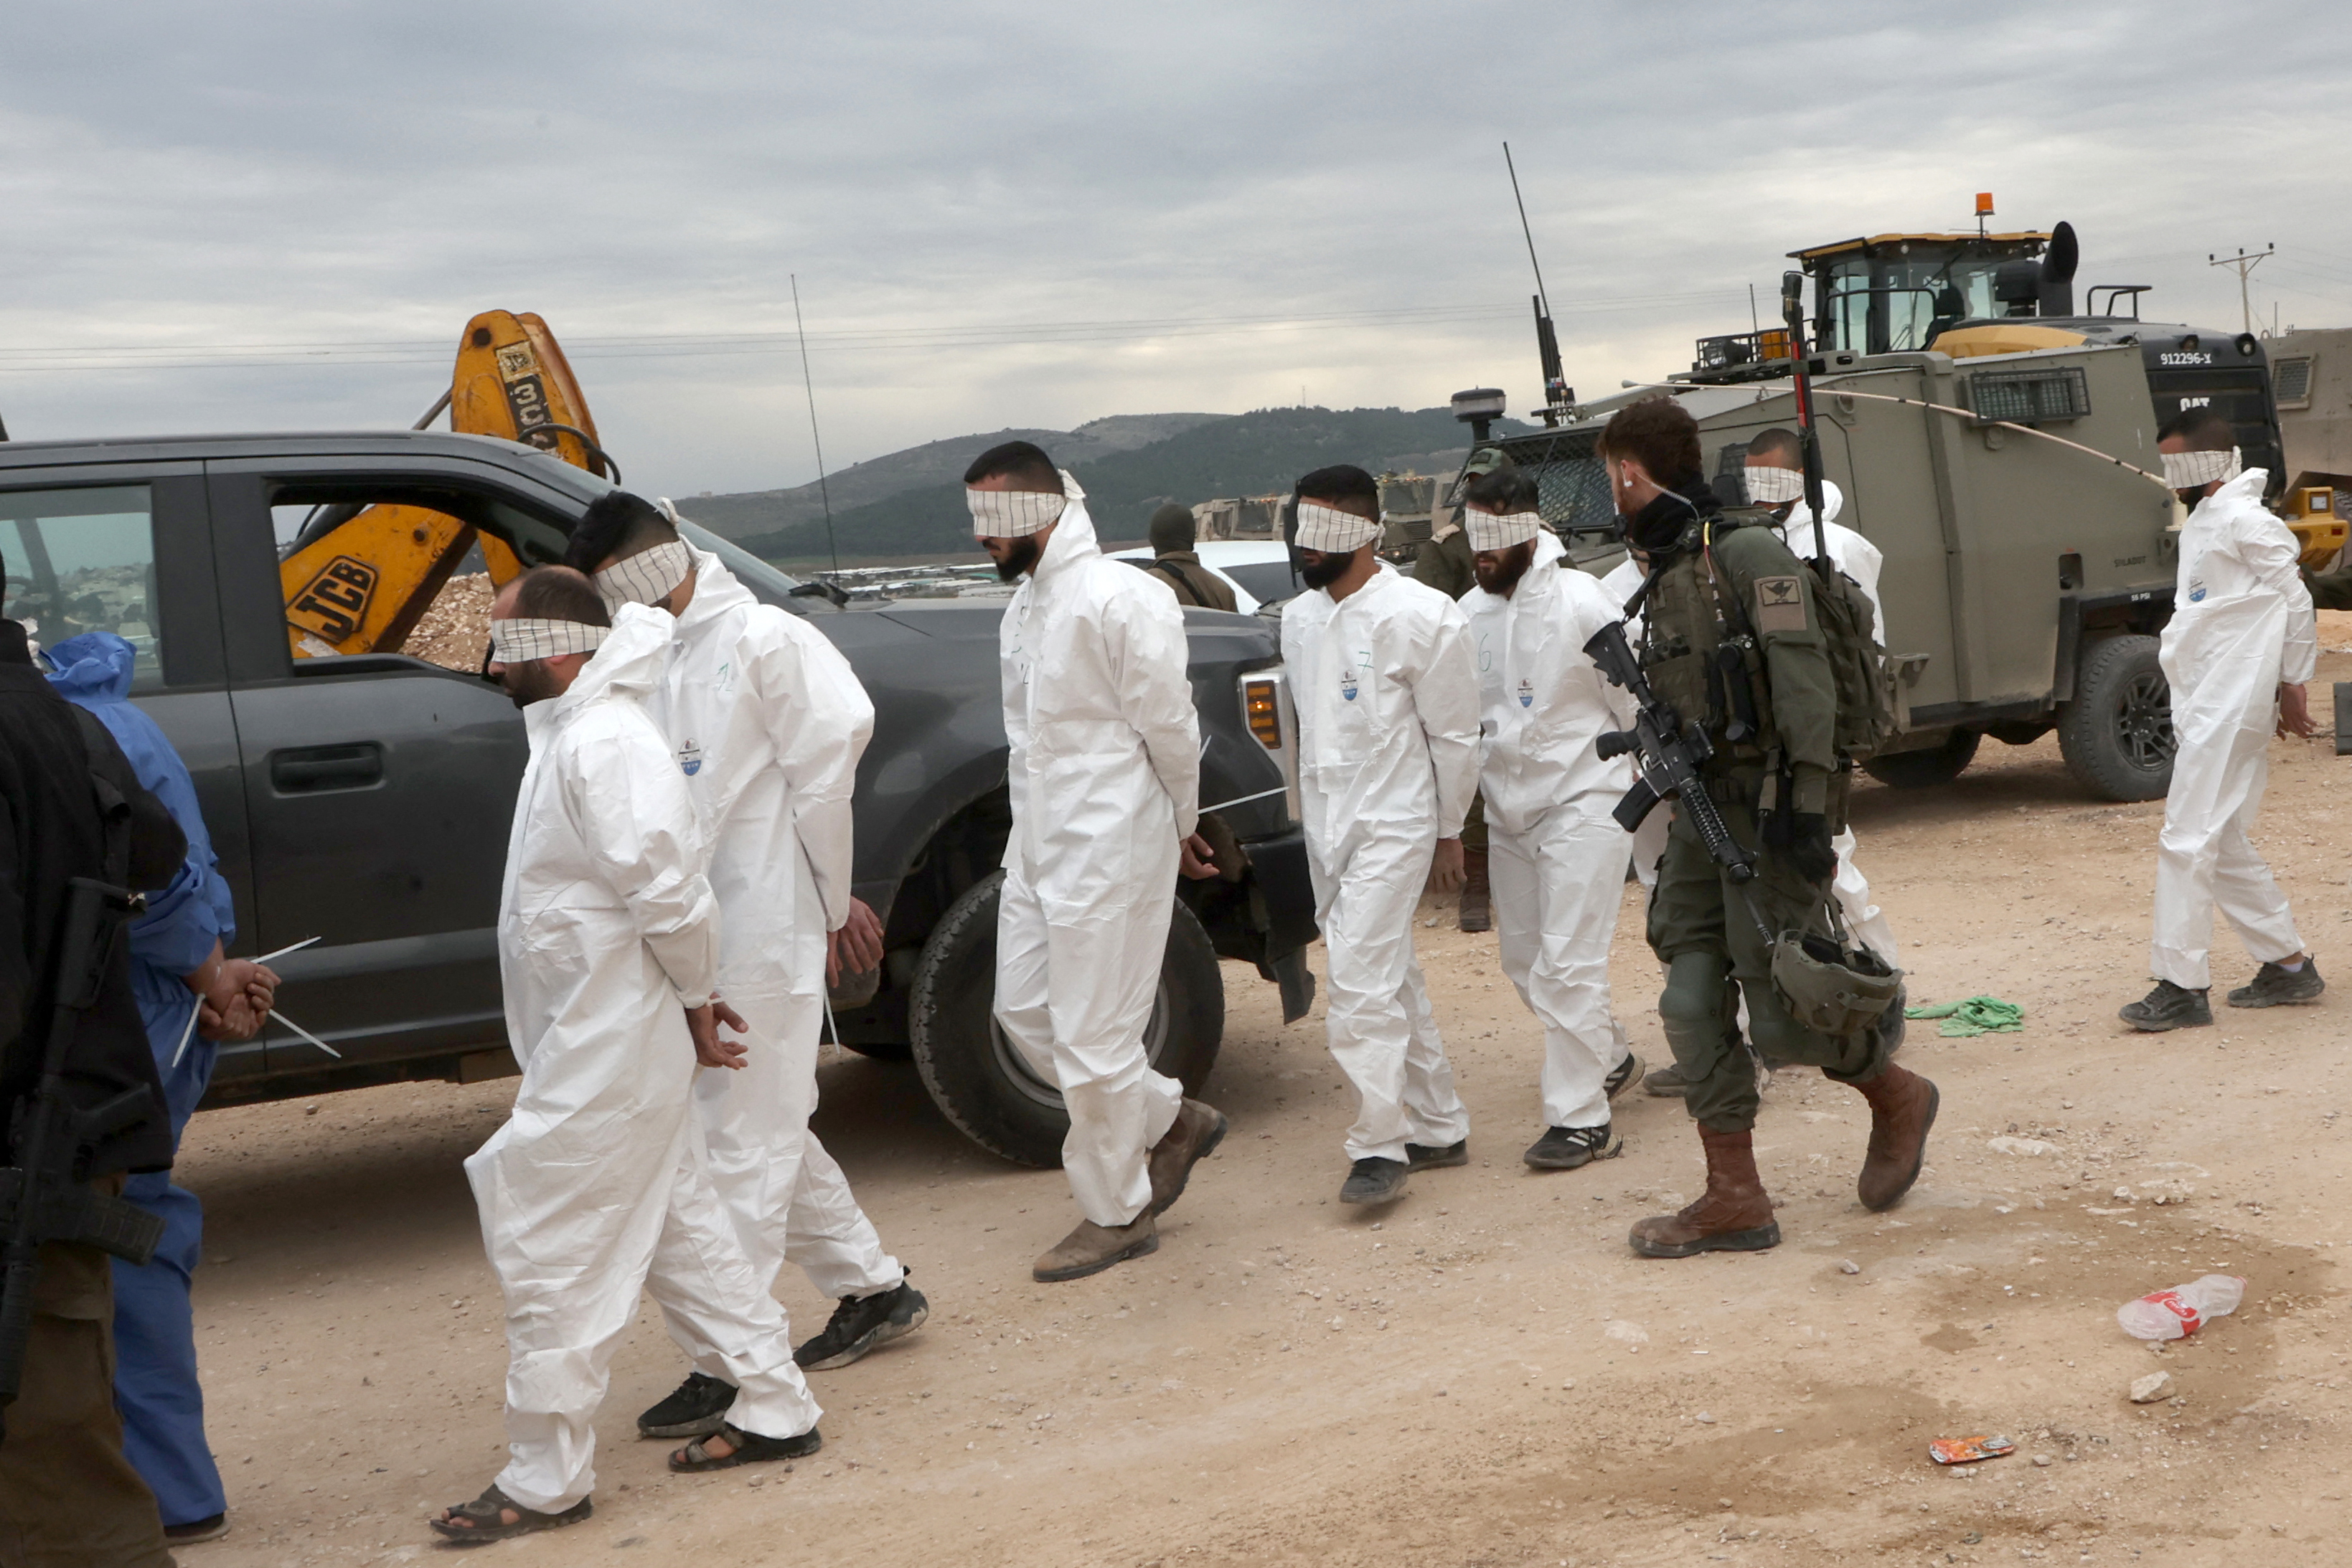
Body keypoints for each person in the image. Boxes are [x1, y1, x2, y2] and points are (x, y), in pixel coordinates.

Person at [433, 568, 821, 1544]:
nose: (491, 660)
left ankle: (545, 1474)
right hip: (595, 1033)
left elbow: (673, 896)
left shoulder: (605, 743)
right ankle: (775, 1401)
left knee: (552, 1244)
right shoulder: (570, 733)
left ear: (558, 646)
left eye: (504, 642)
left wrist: (696, 1000)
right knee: (681, 1222)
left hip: (612, 1044)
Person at [563, 496, 926, 1442]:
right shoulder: (652, 656)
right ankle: (872, 1286)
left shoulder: (768, 639)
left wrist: (832, 893)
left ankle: (728, 1366)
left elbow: (834, 753)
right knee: (759, 1124)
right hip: (698, 937)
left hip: (765, 926)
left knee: (741, 1144)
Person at [1601, 397, 1936, 1258]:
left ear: (1632, 472)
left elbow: (1808, 691)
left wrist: (1803, 812)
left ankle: (1893, 1091)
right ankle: (1734, 1195)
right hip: (1700, 813)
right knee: (1686, 996)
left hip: (1764, 812)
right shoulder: (1670, 566)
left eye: (1612, 475)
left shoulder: (1744, 554)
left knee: (1787, 1002)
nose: (1612, 492)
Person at [968, 443, 1227, 1282]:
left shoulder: (1123, 598)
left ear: (1040, 510)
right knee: (1023, 1009)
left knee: (1093, 1032)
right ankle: (1169, 1115)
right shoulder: (1022, 612)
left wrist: (1180, 821)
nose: (980, 538)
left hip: (1112, 839)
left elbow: (1171, 728)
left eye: (991, 518)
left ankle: (1117, 1210)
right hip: (1038, 843)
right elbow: (1023, 741)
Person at [45, 631, 276, 1549]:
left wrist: (203, 973)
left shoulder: (88, 726)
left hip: (121, 1017)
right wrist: (209, 972)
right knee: (119, 1229)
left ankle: (162, 1485)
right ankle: (165, 1481)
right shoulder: (102, 717)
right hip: (143, 1008)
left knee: (110, 1231)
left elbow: (157, 882)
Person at [0, 571, 187, 1568]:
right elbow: (154, 854)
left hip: (30, 1142)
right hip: (69, 1120)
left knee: (55, 1475)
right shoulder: (59, 715)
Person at [1281, 464, 1482, 1206]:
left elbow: (1456, 736)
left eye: (1324, 531)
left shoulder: (1423, 615)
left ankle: (1378, 1143)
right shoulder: (1298, 619)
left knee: (1358, 981)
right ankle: (1438, 1123)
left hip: (1395, 819)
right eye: (1300, 529)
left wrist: (1446, 831)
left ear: (1365, 532)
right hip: (1327, 825)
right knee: (1390, 971)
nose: (1307, 547)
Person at [1457, 468, 1646, 1171]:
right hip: (1509, 816)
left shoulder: (1581, 600)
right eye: (1472, 535)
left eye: (1494, 537)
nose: (1481, 553)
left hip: (1584, 801)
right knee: (1524, 962)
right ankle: (1610, 1054)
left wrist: (1644, 786)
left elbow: (1631, 701)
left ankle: (1580, 1119)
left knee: (1567, 962)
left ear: (1529, 530)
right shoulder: (1465, 613)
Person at [2120, 409, 2320, 1030]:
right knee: (2221, 836)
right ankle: (2288, 966)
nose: (2168, 476)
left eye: (2176, 463)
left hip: (2231, 704)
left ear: (2207, 463)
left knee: (2186, 837)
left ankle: (2181, 985)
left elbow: (2295, 597)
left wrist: (2294, 684)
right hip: (2207, 699)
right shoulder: (2206, 519)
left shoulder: (2244, 520)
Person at [1142, 503, 1238, 611]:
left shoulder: (1144, 585)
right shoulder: (1222, 590)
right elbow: (1235, 627)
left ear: (1153, 539)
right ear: (1192, 537)